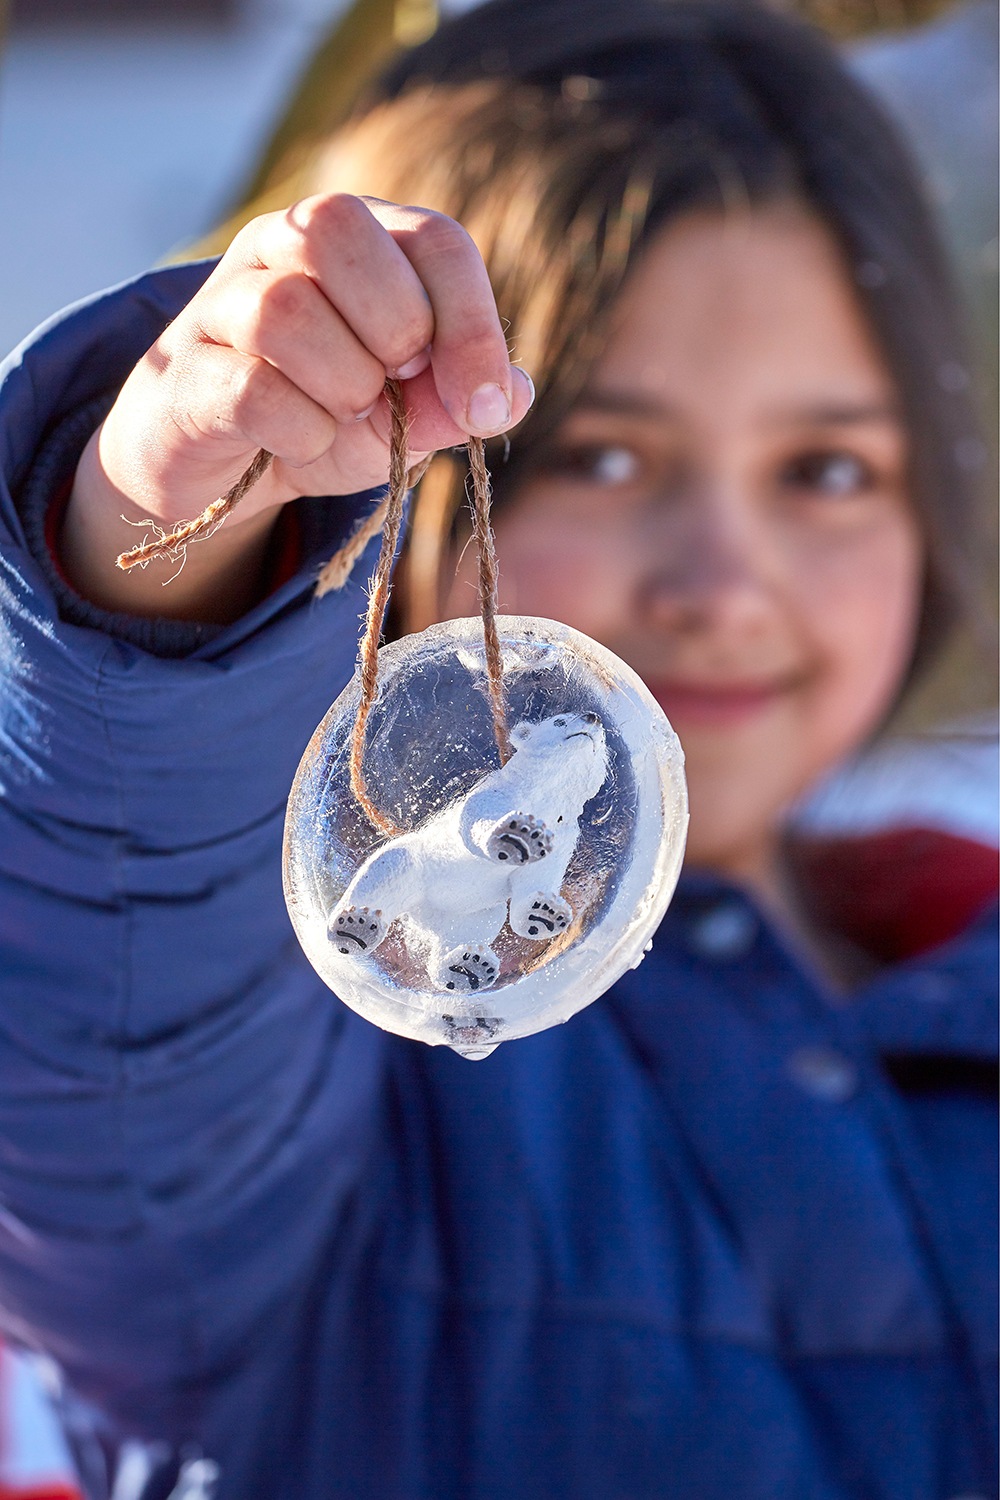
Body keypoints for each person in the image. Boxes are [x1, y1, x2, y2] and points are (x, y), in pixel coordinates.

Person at [0, 1, 995, 1496]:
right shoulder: (294, 1078)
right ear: (383, 473)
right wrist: (157, 550)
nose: (724, 583)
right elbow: (117, 951)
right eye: (601, 454)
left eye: (829, 469)